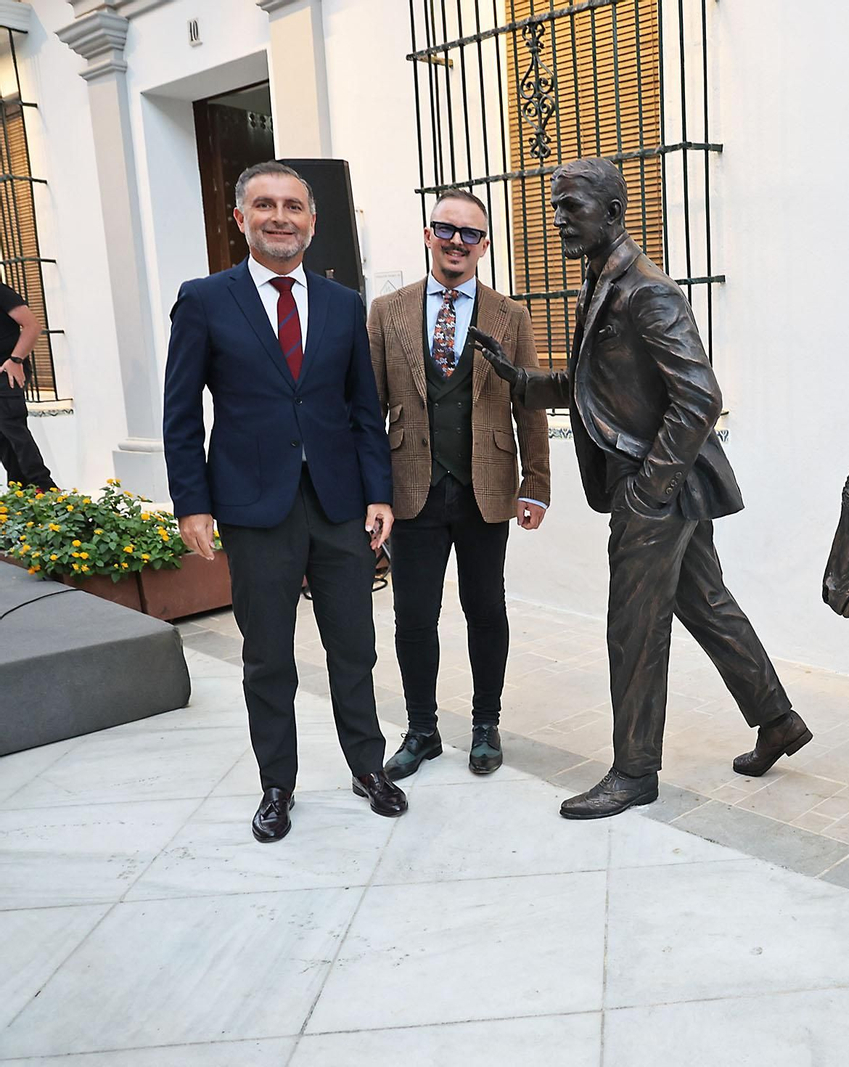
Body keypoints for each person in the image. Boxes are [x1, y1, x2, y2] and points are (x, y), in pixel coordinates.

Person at [474, 157, 809, 819]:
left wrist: (651, 487)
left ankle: (634, 772)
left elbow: (700, 396)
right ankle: (777, 719)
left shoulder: (645, 290)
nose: (559, 218)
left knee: (634, 628)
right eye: (556, 206)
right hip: (664, 478)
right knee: (706, 602)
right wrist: (517, 379)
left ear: (613, 212)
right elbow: (596, 389)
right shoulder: (600, 280)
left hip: (657, 479)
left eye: (571, 207)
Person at [163, 161, 407, 843]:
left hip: (338, 502)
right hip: (251, 505)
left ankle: (368, 765)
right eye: (264, 205)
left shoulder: (339, 303)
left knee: (353, 645)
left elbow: (363, 408)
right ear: (239, 218)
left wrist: (378, 492)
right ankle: (278, 783)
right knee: (268, 655)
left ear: (312, 221)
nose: (280, 217)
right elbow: (181, 413)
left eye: (293, 206)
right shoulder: (205, 299)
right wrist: (192, 502)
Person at [368, 189, 551, 778]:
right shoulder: (387, 310)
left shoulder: (510, 314)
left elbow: (529, 403)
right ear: (428, 234)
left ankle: (485, 724)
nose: (457, 242)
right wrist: (370, 493)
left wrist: (536, 482)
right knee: (414, 616)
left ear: (485, 245)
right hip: (411, 489)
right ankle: (421, 729)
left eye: (471, 234)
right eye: (446, 229)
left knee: (485, 608)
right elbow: (368, 409)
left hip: (486, 488)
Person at [0, 280, 56, 491]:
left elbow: (33, 325)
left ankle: (46, 488)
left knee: (13, 430)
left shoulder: (2, 292)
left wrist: (16, 360)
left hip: (7, 373)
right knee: (5, 440)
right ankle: (21, 492)